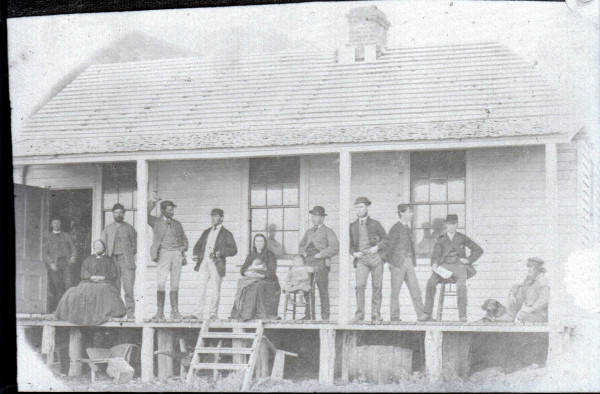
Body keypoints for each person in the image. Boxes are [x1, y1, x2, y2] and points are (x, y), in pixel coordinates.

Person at [420, 214, 484, 322]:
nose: (451, 227)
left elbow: (478, 250)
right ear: (446, 225)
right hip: (444, 266)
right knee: (431, 282)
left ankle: (462, 315)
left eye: (453, 224)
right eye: (449, 224)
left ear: (457, 225)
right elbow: (435, 255)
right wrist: (435, 264)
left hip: (459, 266)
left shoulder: (462, 237)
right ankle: (427, 313)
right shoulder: (441, 238)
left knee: (461, 286)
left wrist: (468, 260)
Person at [55, 239, 126, 325]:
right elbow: (84, 272)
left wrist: (103, 277)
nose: (98, 247)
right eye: (96, 246)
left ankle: (101, 315)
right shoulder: (89, 259)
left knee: (103, 289)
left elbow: (113, 273)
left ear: (104, 247)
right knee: (78, 291)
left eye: (100, 246)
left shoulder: (109, 260)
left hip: (105, 282)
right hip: (90, 281)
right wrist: (91, 277)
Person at [191, 208, 238, 320]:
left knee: (215, 288)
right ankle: (197, 313)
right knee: (200, 287)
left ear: (221, 218)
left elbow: (234, 250)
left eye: (216, 216)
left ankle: (213, 314)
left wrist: (220, 253)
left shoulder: (226, 234)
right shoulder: (207, 232)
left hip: (217, 263)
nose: (213, 218)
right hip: (204, 262)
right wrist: (196, 254)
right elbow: (197, 246)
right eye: (212, 216)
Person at [148, 195, 189, 319]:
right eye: (170, 210)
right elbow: (143, 215)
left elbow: (184, 239)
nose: (172, 212)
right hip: (163, 254)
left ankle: (174, 311)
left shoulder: (177, 224)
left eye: (172, 209)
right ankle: (160, 312)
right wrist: (152, 203)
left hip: (176, 254)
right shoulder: (156, 222)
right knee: (161, 282)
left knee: (175, 283)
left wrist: (184, 247)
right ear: (163, 210)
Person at [349, 197, 388, 323]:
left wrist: (377, 247)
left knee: (377, 286)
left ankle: (375, 315)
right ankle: (359, 315)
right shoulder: (353, 226)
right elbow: (348, 244)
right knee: (360, 286)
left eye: (361, 207)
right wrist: (354, 253)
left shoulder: (375, 224)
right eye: (357, 207)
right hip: (362, 259)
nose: (359, 209)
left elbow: (385, 239)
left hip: (375, 257)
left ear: (367, 208)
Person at [298, 206, 339, 321]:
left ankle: (325, 317)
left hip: (321, 263)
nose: (314, 219)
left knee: (322, 290)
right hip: (308, 261)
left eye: (316, 216)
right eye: (313, 216)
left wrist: (320, 254)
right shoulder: (309, 231)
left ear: (322, 218)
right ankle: (309, 315)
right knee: (307, 288)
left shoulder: (328, 231)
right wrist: (303, 253)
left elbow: (335, 247)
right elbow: (301, 245)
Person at [386, 204, 425, 321]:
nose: (412, 214)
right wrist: (391, 262)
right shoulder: (395, 229)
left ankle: (422, 315)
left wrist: (412, 262)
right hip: (398, 264)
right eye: (409, 211)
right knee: (395, 292)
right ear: (401, 213)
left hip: (409, 263)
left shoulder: (408, 228)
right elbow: (388, 248)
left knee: (415, 290)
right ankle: (394, 317)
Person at [230, 234, 281, 321]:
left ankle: (253, 314)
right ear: (254, 243)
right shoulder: (251, 255)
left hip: (268, 280)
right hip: (252, 277)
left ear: (265, 243)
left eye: (261, 241)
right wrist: (247, 273)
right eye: (257, 241)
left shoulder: (270, 255)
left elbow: (272, 271)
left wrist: (261, 275)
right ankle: (243, 313)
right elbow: (243, 269)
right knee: (242, 284)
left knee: (256, 286)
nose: (259, 243)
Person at [101, 203, 137, 318]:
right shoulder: (108, 229)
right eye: (116, 212)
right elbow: (102, 245)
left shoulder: (129, 228)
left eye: (121, 212)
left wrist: (129, 253)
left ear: (124, 214)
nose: (119, 214)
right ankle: (117, 313)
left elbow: (136, 245)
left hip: (126, 260)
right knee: (114, 287)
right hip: (112, 261)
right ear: (113, 214)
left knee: (128, 288)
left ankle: (130, 314)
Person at [43, 218, 77, 311]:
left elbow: (73, 248)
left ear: (60, 224)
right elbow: (45, 253)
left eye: (58, 223)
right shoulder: (48, 237)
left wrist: (73, 257)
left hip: (66, 263)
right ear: (51, 225)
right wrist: (51, 264)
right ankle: (59, 310)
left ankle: (70, 309)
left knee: (68, 285)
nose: (56, 225)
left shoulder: (66, 236)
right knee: (57, 286)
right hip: (55, 264)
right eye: (54, 223)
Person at [503, 257, 550, 323]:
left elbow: (544, 300)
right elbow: (516, 285)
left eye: (531, 268)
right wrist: (512, 295)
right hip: (531, 313)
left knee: (521, 315)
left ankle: (512, 316)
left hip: (540, 315)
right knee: (520, 289)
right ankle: (510, 316)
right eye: (528, 267)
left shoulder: (543, 281)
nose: (529, 270)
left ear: (536, 269)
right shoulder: (531, 279)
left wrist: (530, 309)